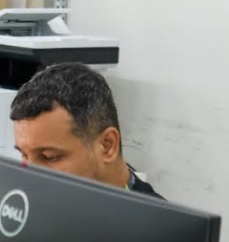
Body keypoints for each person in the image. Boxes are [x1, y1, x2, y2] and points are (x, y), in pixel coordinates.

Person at [9, 62, 161, 197]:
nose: (30, 177)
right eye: (24, 155)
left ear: (107, 146)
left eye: (49, 157)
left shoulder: (159, 226)